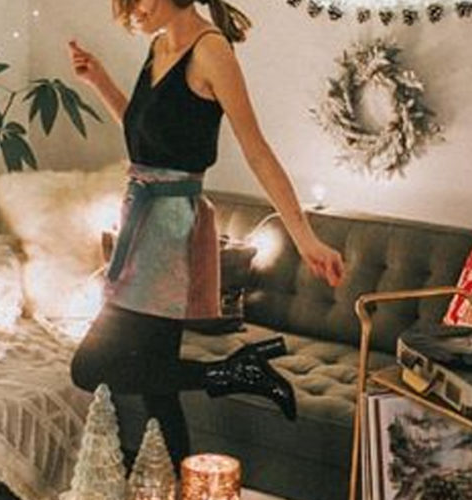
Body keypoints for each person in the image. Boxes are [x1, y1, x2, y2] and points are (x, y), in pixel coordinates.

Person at [68, 0, 345, 465]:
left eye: (137, 1)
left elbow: (257, 151)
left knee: (91, 365)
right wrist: (100, 82)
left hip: (169, 230)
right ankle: (180, 494)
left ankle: (236, 373)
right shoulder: (159, 47)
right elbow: (148, 137)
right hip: (142, 221)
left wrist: (305, 238)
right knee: (158, 390)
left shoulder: (212, 52)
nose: (131, 13)